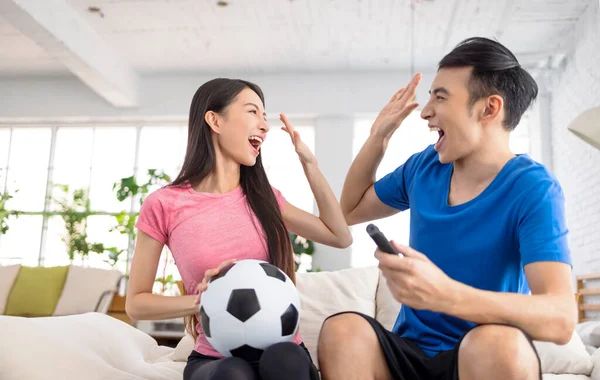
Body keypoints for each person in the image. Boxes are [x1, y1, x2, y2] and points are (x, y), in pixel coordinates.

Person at [317, 37, 576, 380]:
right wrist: (378, 136)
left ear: (489, 108)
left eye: (440, 97)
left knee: (500, 344)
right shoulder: (425, 167)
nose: (425, 112)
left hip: (482, 354)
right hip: (410, 354)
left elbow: (560, 319)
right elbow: (348, 212)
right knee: (343, 330)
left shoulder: (533, 189)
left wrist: (446, 295)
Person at [125, 78, 352, 380]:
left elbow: (339, 236)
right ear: (214, 120)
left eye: (265, 116)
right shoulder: (164, 204)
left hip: (282, 352)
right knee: (233, 373)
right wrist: (205, 299)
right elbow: (136, 304)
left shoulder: (266, 198)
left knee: (284, 361)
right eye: (252, 112)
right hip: (214, 360)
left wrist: (309, 163)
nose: (265, 125)